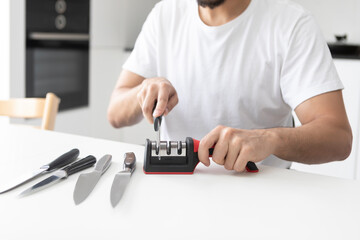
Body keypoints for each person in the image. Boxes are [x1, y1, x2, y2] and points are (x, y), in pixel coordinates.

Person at [107, 0, 352, 172]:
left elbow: (338, 138)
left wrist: (269, 138)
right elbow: (115, 113)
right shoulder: (164, 15)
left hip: (265, 196)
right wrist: (144, 91)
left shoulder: (292, 24)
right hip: (178, 188)